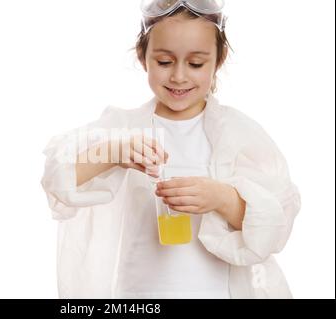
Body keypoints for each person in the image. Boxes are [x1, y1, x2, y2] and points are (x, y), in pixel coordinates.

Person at [41, 0, 301, 299]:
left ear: (219, 59)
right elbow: (57, 179)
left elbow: (274, 224)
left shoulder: (239, 134)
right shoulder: (123, 127)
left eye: (196, 64)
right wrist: (113, 153)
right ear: (143, 57)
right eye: (164, 62)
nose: (179, 76)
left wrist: (222, 197)